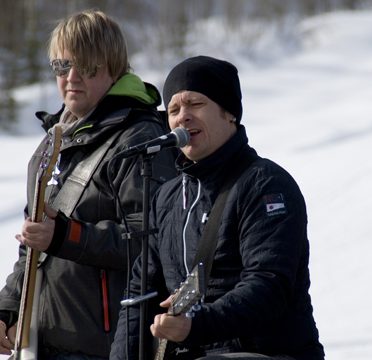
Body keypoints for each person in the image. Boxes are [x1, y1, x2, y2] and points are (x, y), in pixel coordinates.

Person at [0, 10, 178, 360]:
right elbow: (34, 243)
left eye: (87, 67)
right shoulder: (54, 140)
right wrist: (8, 307)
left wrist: (66, 236)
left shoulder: (140, 138)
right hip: (41, 342)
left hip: (106, 347)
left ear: (115, 68)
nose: (71, 78)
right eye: (62, 66)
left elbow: (154, 244)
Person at [110, 56, 325, 360]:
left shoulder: (265, 184)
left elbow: (268, 285)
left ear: (229, 114)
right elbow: (140, 289)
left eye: (195, 104)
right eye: (173, 110)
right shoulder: (167, 196)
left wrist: (196, 325)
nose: (182, 117)